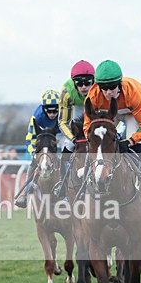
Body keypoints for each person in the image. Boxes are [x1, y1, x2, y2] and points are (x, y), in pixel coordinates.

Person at [83, 59, 141, 199]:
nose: (108, 92)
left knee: (138, 144)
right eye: (104, 89)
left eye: (112, 88)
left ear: (119, 84)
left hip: (131, 113)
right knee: (97, 143)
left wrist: (130, 141)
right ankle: (85, 182)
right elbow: (87, 124)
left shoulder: (134, 94)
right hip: (109, 115)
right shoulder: (93, 96)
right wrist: (92, 139)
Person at [14, 90, 63, 208]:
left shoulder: (64, 113)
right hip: (44, 136)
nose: (52, 114)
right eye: (49, 111)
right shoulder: (37, 117)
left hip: (61, 134)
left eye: (55, 110)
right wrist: (34, 154)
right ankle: (25, 193)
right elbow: (30, 138)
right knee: (34, 162)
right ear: (44, 109)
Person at [55, 60, 95, 197]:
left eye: (87, 83)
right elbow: (63, 122)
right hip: (77, 108)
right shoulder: (66, 92)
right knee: (68, 147)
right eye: (79, 83)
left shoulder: (99, 89)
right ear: (73, 83)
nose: (83, 87)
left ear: (93, 81)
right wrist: (73, 139)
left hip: (95, 108)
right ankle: (63, 183)